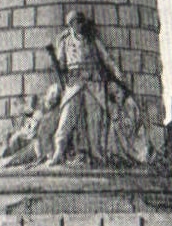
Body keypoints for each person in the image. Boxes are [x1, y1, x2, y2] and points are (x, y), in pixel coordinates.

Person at [45, 10, 130, 166]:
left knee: (95, 120)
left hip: (93, 83)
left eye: (80, 22)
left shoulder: (93, 41)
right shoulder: (65, 43)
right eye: (76, 23)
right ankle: (59, 151)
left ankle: (97, 154)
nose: (79, 25)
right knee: (67, 117)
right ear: (71, 25)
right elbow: (61, 64)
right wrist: (57, 67)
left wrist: (118, 74)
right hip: (74, 83)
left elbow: (107, 60)